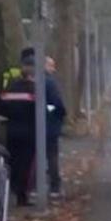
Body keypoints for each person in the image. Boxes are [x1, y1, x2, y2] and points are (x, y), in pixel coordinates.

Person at [0, 53, 37, 206]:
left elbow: (1, 109)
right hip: (29, 132)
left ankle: (11, 190)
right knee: (27, 165)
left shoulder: (10, 87)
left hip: (12, 130)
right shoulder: (35, 89)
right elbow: (42, 110)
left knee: (13, 162)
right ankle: (22, 195)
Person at [44, 56, 67, 198]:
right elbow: (55, 103)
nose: (53, 69)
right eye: (51, 66)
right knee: (52, 156)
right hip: (50, 125)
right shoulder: (50, 83)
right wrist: (56, 113)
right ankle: (54, 187)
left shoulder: (35, 81)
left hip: (35, 124)